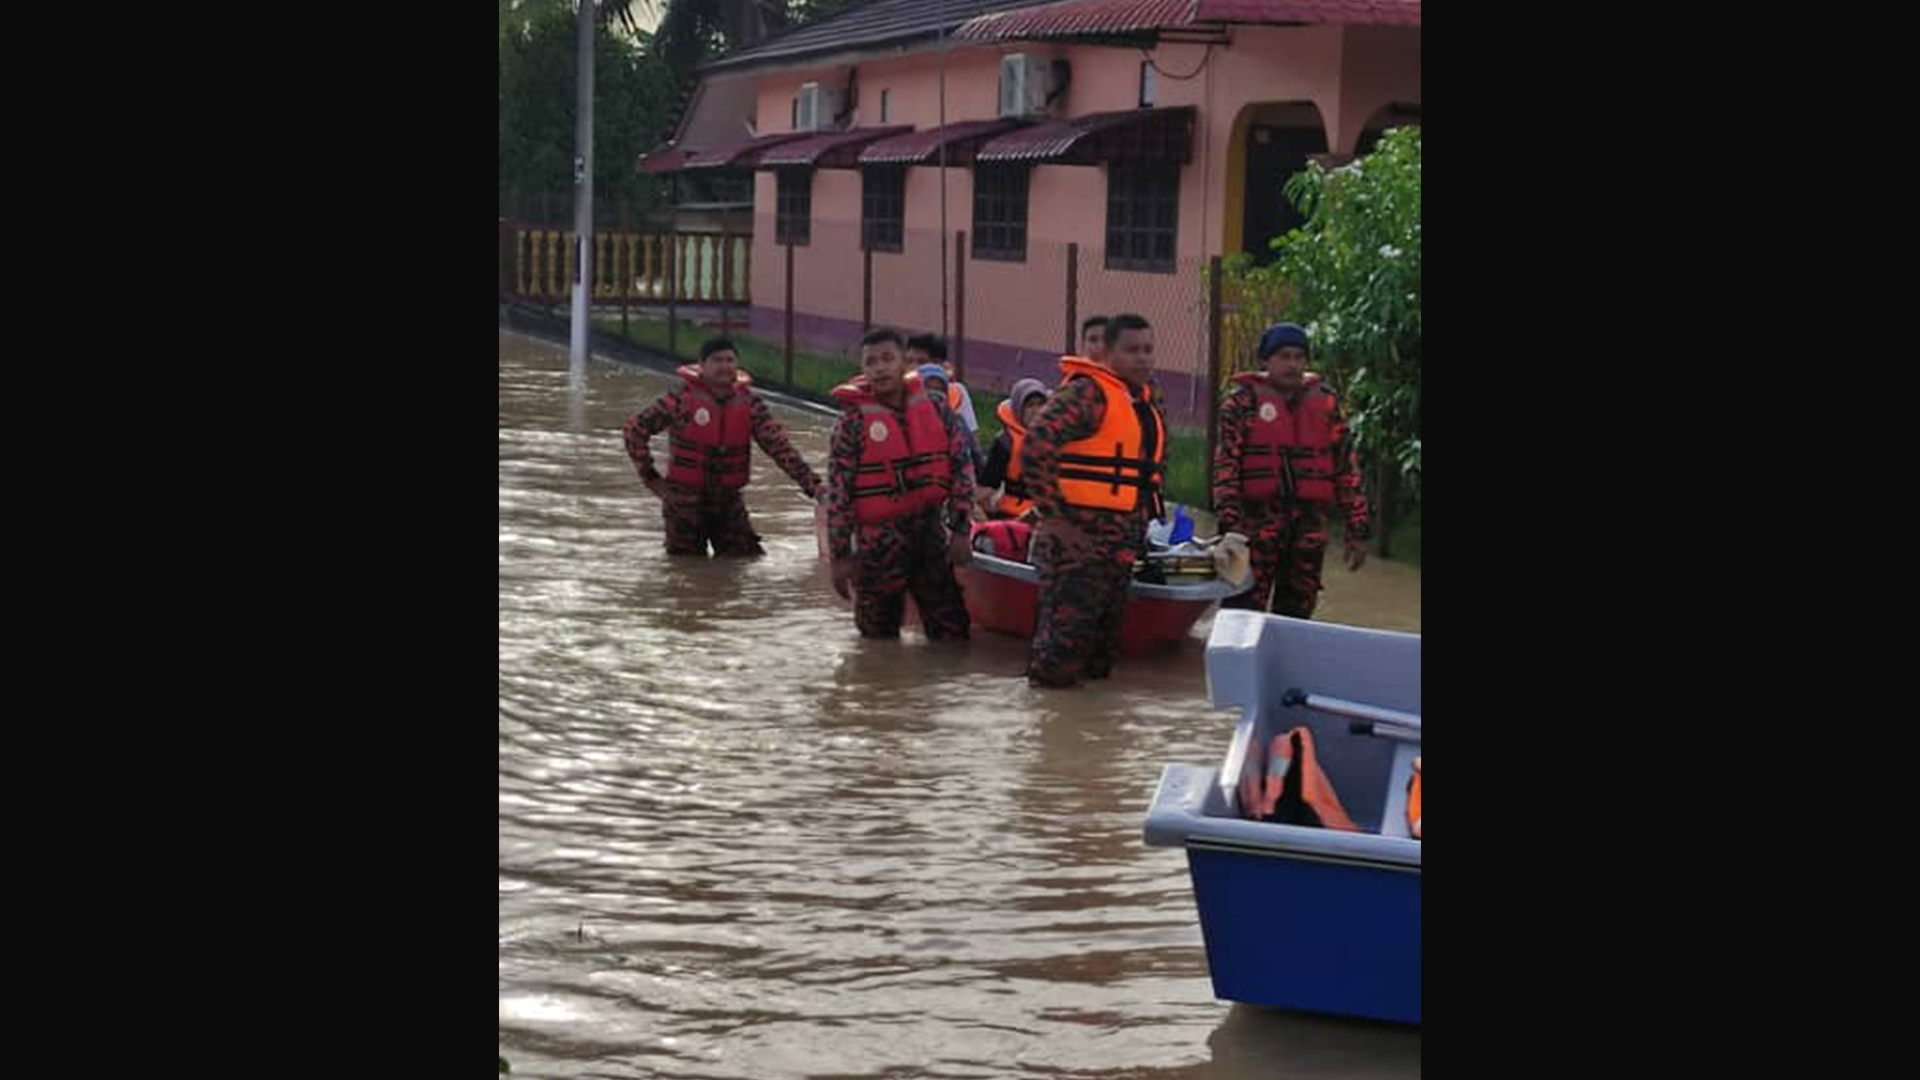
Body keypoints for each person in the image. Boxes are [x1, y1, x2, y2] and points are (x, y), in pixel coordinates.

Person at [1019, 313, 1166, 688]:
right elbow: (1036, 444)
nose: (1143, 359)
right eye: (1132, 350)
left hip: (1120, 540)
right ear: (1107, 353)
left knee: (1101, 651)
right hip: (1077, 539)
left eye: (1148, 350)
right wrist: (1053, 517)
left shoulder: (1141, 402)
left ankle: (1089, 735)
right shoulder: (1087, 393)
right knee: (1062, 649)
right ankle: (1053, 728)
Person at [824, 328, 978, 640]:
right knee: (877, 642)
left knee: (952, 632)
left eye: (887, 359)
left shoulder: (935, 407)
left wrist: (961, 528)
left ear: (904, 364)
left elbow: (961, 468)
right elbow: (838, 492)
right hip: (878, 545)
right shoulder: (851, 421)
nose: (879, 368)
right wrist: (840, 557)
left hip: (930, 536)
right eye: (871, 362)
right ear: (863, 370)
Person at [1210, 322, 1369, 618]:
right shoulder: (1240, 404)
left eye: (1299, 357)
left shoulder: (1327, 404)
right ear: (1266, 360)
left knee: (1296, 619)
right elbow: (1226, 468)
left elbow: (1346, 469)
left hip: (1307, 530)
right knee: (1239, 613)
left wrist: (1356, 529)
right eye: (1284, 356)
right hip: (1251, 530)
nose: (1293, 364)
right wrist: (1229, 527)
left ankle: (1285, 665)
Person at [623, 336, 820, 557]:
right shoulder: (679, 400)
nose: (725, 367)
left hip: (728, 501)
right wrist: (651, 478)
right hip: (684, 503)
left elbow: (780, 448)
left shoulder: (751, 404)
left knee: (745, 562)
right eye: (717, 360)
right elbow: (634, 430)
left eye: (729, 360)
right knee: (685, 571)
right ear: (702, 365)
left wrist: (814, 487)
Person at [905, 334, 984, 469]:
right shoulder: (898, 394)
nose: (914, 368)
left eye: (921, 362)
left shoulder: (957, 393)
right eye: (909, 361)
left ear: (940, 366)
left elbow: (973, 441)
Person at [975, 378, 1048, 519]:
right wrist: (991, 516)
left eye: (1041, 405)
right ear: (1019, 409)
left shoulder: (1057, 438)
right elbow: (986, 488)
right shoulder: (1005, 442)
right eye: (1030, 406)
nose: (1037, 411)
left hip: (1046, 517)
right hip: (1012, 516)